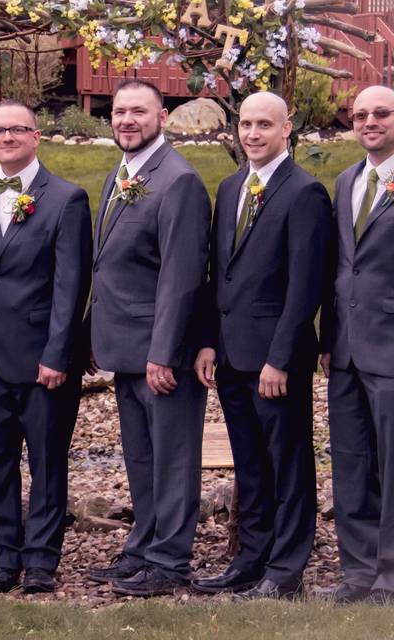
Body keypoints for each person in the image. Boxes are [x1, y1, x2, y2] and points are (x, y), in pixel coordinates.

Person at [192, 92, 331, 599]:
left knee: (288, 464)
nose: (252, 134)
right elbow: (218, 275)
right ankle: (250, 560)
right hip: (230, 355)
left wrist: (280, 357)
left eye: (264, 125)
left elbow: (305, 287)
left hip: (276, 360)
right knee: (250, 464)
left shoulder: (305, 192)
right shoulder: (231, 188)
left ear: (286, 128)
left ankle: (286, 570)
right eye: (245, 124)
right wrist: (208, 342)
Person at [0, 100, 92, 594]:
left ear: (37, 137)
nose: (7, 137)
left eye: (17, 129)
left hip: (43, 358)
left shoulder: (66, 198)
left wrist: (58, 354)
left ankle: (41, 561)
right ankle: (4, 559)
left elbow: (71, 284)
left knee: (46, 462)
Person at [86, 80, 211, 597]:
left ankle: (169, 560)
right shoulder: (125, 173)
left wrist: (164, 353)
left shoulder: (177, 180)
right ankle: (142, 545)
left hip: (162, 353)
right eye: (119, 112)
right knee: (141, 456)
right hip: (126, 346)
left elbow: (181, 277)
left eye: (139, 111)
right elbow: (111, 264)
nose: (126, 120)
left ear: (163, 114)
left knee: (173, 457)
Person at [320, 84, 394, 604]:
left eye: (382, 113)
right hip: (344, 349)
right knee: (350, 461)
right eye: (360, 114)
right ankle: (359, 572)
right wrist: (327, 340)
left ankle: (391, 576)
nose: (369, 121)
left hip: (390, 345)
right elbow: (338, 270)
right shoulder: (346, 180)